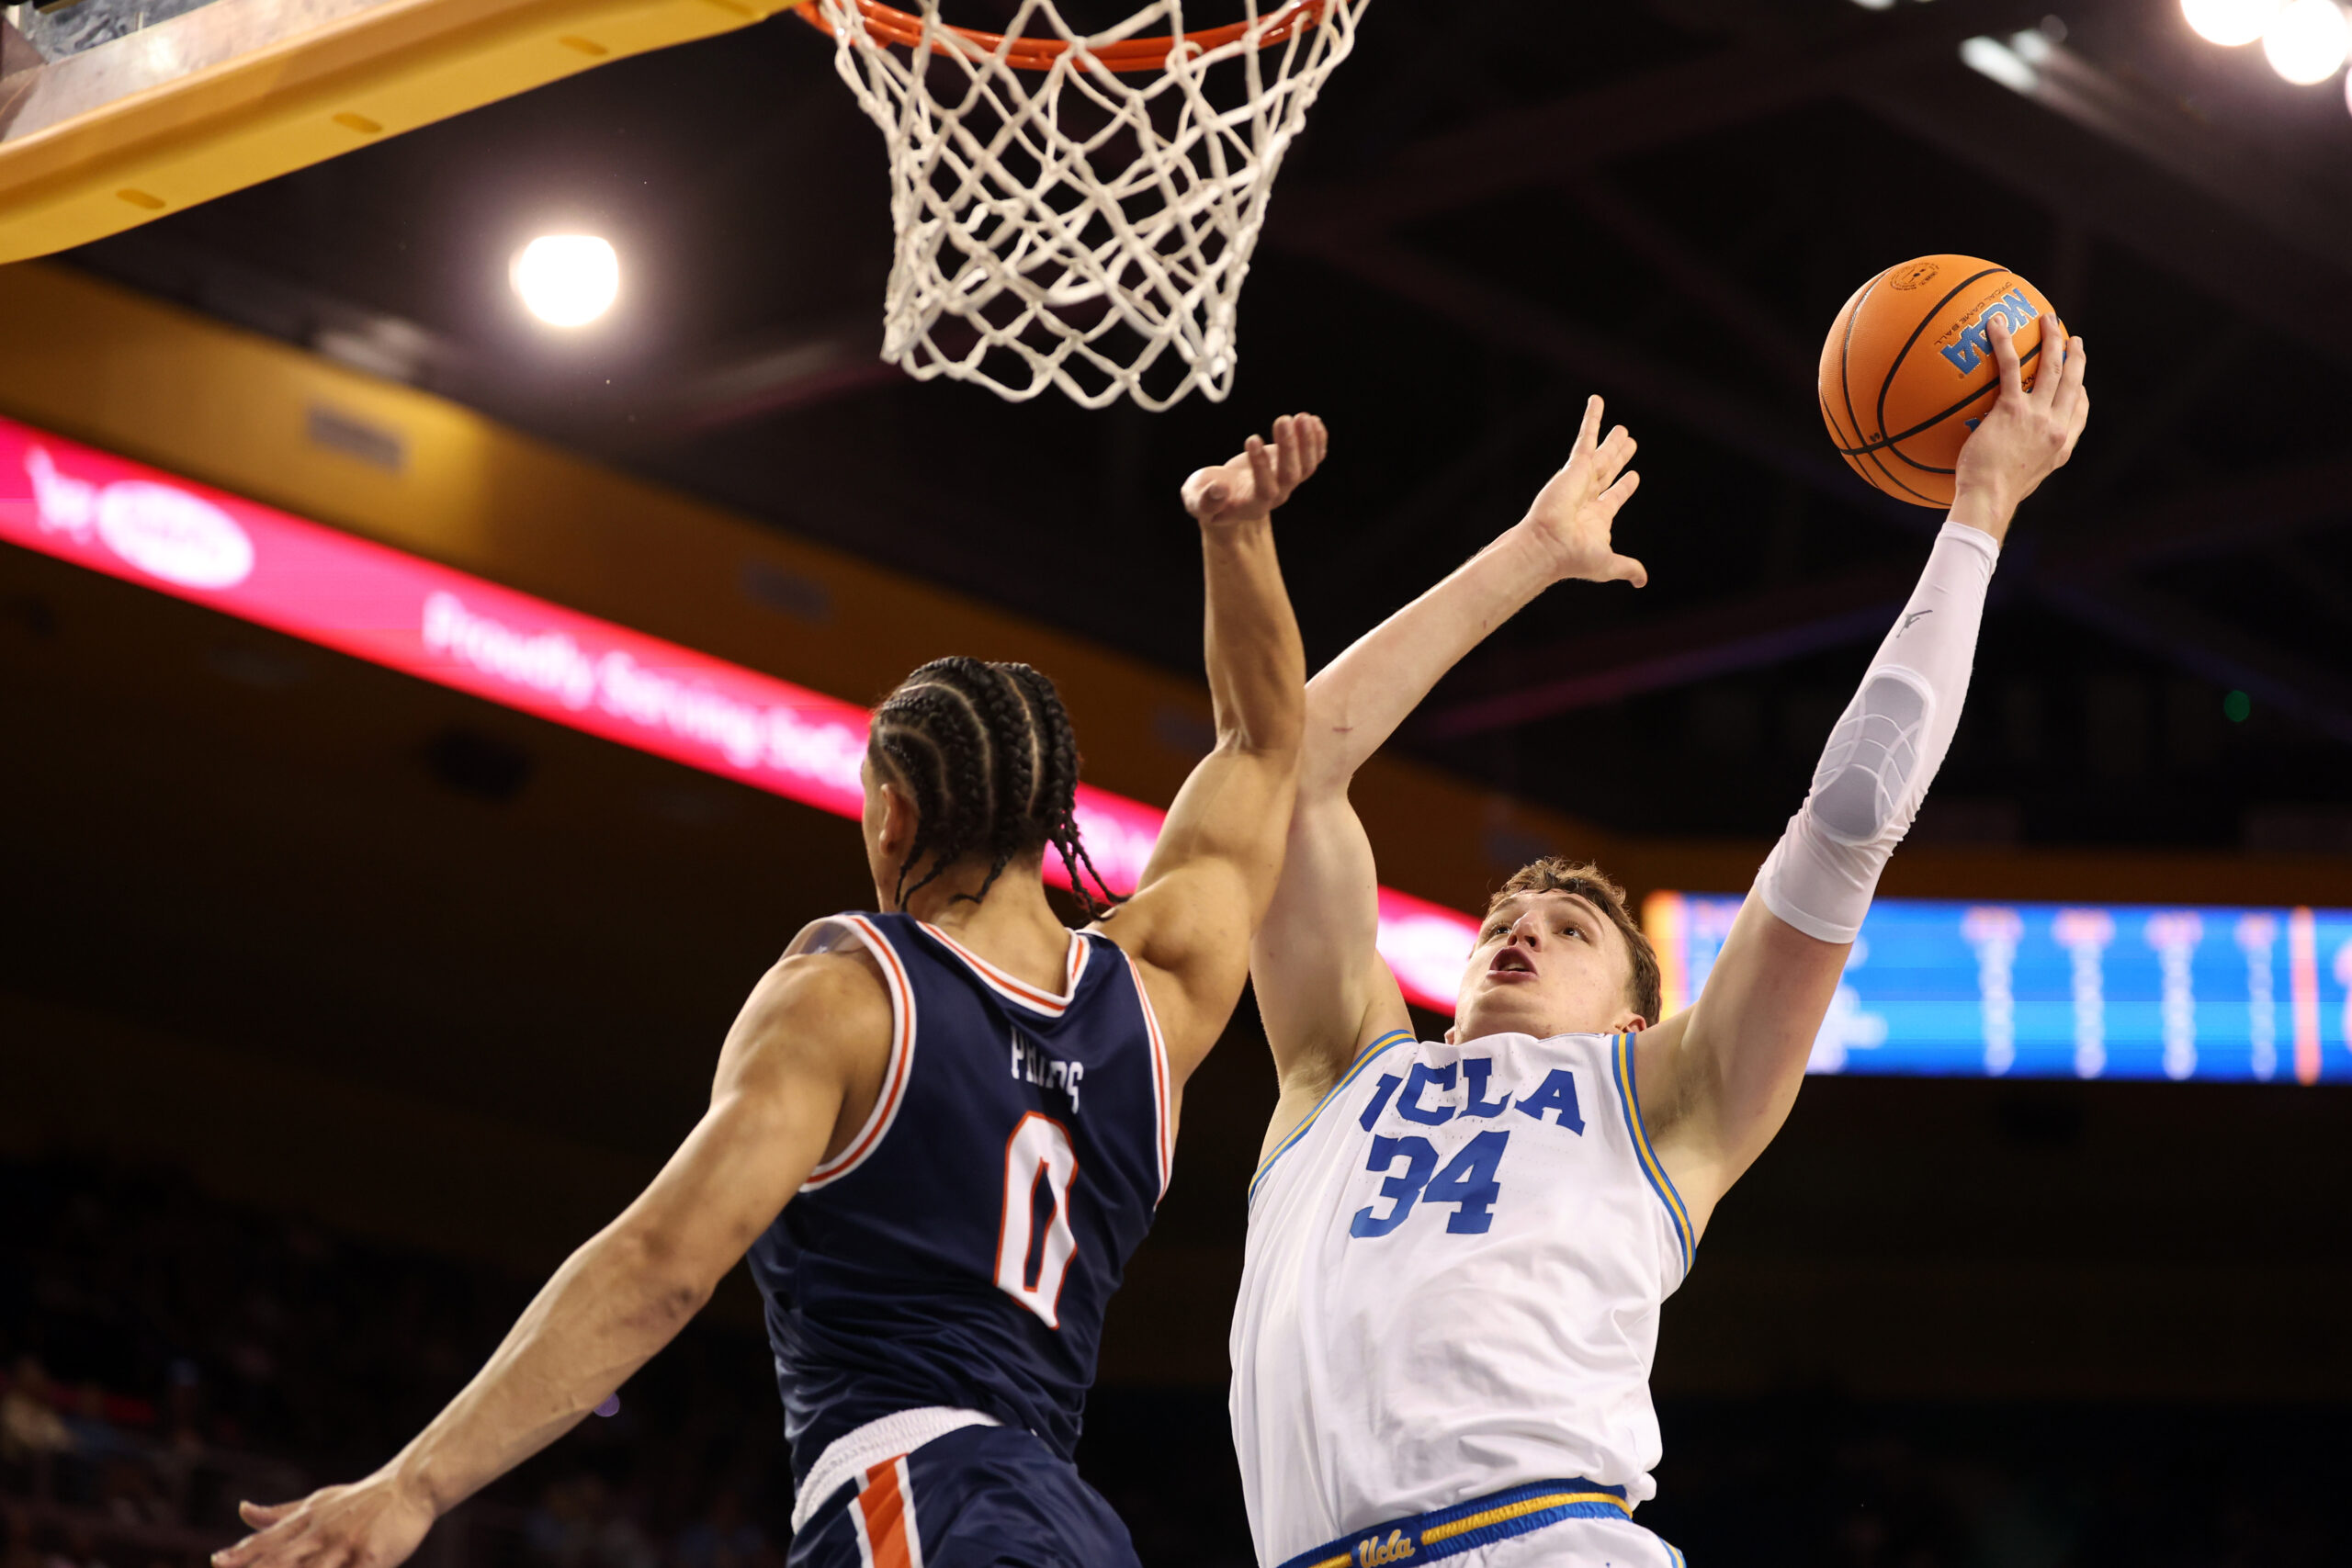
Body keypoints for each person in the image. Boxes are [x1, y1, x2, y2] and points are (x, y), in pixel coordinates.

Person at [209, 413, 1328, 1568]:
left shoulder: (850, 996)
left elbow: (659, 1270)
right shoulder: (1158, 993)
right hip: (1075, 1527)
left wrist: (416, 1483)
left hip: (917, 1498)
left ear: (892, 813)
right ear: (1052, 818)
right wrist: (1235, 538)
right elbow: (1260, 747)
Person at [1232, 317, 2088, 1568]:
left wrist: (1982, 508)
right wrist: (1529, 553)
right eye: (1500, 922)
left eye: (1568, 929)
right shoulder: (1340, 1074)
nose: (1518, 932)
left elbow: (1851, 816)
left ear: (1636, 1015)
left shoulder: (1661, 1096)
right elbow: (1295, 764)